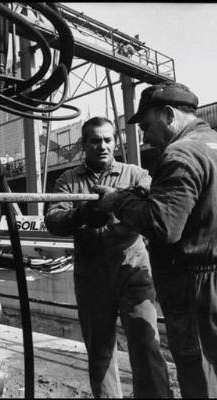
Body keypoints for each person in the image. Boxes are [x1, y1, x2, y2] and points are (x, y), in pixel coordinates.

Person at [91, 82, 217, 398]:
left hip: (212, 292)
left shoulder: (181, 153)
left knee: (206, 389)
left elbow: (163, 225)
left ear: (169, 114)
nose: (145, 137)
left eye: (146, 126)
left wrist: (117, 202)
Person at [44, 117, 171, 398]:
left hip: (133, 272)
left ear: (115, 141)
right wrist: (81, 214)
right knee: (100, 352)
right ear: (83, 144)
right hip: (92, 277)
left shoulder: (136, 174)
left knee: (145, 346)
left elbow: (155, 198)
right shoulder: (68, 180)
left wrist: (122, 199)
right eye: (95, 140)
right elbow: (53, 219)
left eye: (107, 139)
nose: (102, 146)